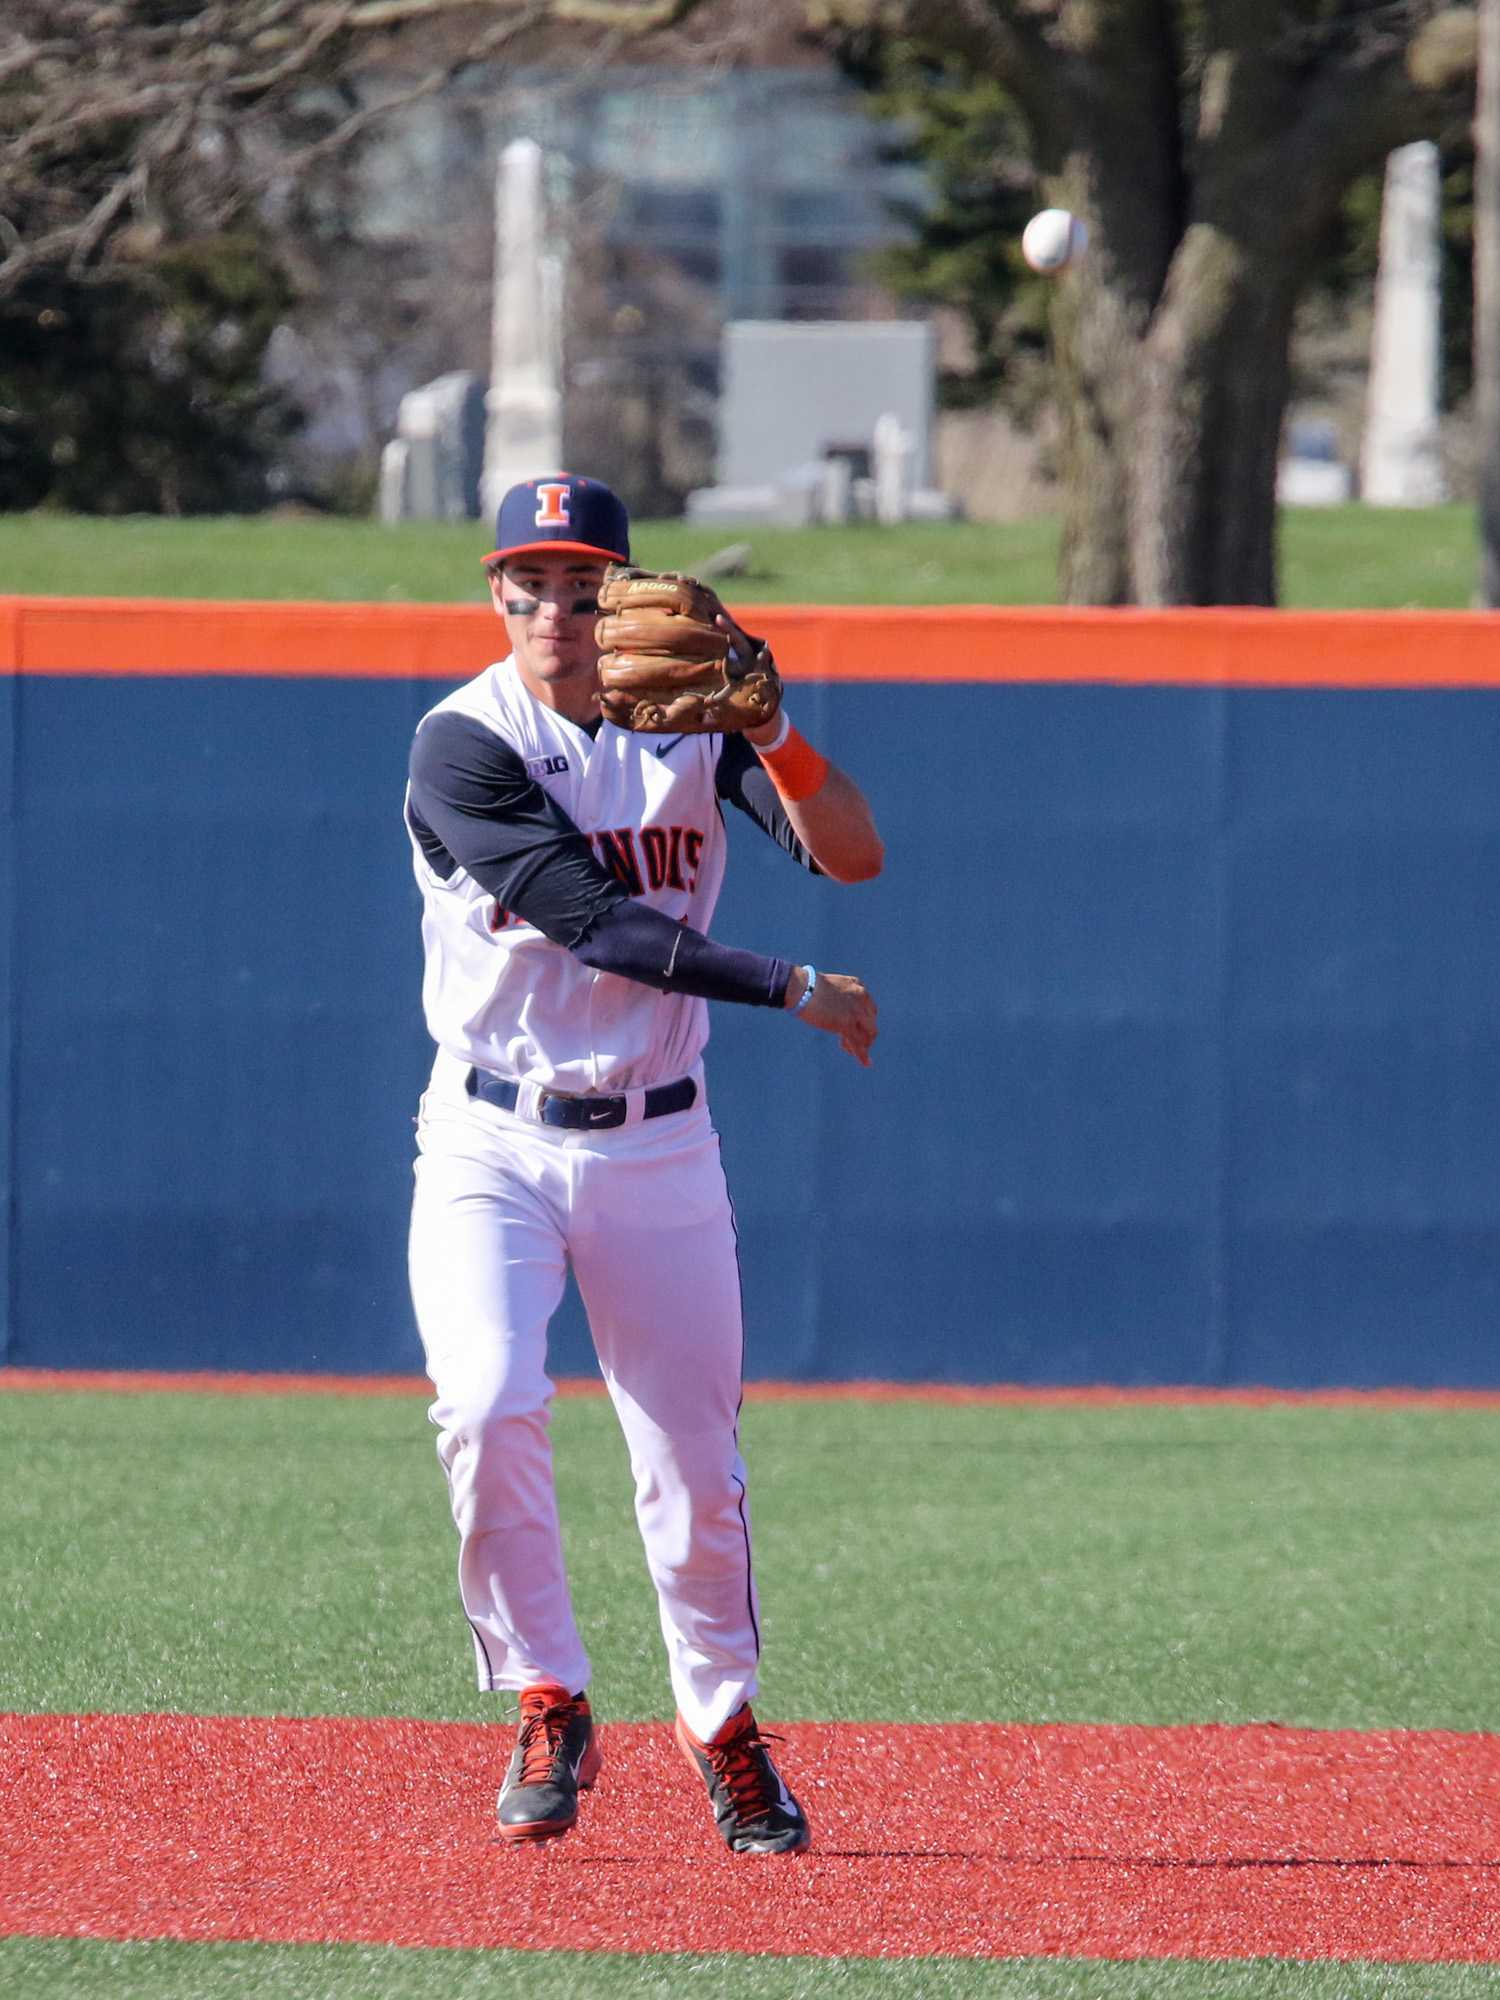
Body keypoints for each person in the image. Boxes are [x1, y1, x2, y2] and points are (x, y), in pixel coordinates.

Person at [404, 473, 882, 1856]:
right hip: (490, 1136)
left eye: (580, 581)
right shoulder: (463, 744)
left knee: (692, 1472)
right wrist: (793, 986)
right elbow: (597, 923)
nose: (554, 607)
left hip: (659, 1140)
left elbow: (853, 857)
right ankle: (547, 1694)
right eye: (530, 580)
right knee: (486, 1404)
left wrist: (772, 726)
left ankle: (723, 1726)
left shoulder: (689, 725)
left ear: (620, 593)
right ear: (496, 591)